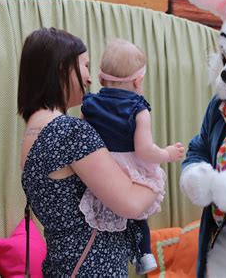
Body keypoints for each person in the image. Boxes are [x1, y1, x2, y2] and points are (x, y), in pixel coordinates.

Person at [18, 28, 158, 277]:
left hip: (62, 267)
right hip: (93, 269)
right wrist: (156, 177)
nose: (90, 78)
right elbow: (132, 204)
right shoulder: (69, 131)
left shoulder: (33, 129)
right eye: (85, 66)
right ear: (63, 69)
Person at [79, 38, 184, 275]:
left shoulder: (90, 104)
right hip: (130, 170)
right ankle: (144, 253)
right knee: (137, 216)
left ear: (101, 77)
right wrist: (166, 153)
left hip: (101, 166)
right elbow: (144, 150)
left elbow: (85, 137)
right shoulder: (138, 109)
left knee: (102, 209)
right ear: (138, 80)